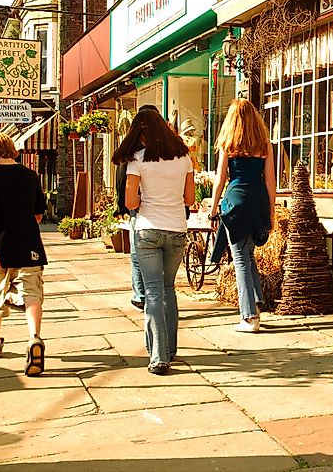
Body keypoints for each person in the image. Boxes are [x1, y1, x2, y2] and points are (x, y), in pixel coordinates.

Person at [112, 109, 195, 375]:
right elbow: (190, 199)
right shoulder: (184, 158)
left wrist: (143, 194)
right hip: (177, 231)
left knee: (153, 294)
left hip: (148, 230)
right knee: (169, 289)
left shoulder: (137, 160)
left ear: (142, 133)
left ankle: (159, 356)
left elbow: (130, 203)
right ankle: (170, 348)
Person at [0, 132, 47, 376]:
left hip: (0, 245)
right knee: (32, 293)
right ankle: (34, 337)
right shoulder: (30, 176)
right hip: (29, 244)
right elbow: (38, 215)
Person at [208, 99, 276, 333]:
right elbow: (270, 182)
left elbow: (220, 179)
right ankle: (256, 302)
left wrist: (213, 206)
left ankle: (248, 317)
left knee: (239, 259)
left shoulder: (228, 143)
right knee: (248, 255)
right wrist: (272, 211)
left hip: (235, 201)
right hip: (258, 202)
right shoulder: (265, 144)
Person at [112, 104, 161, 313]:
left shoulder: (132, 149)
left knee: (138, 251)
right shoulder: (167, 147)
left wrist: (121, 203)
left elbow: (121, 178)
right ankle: (149, 294)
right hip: (161, 207)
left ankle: (141, 295)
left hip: (140, 205)